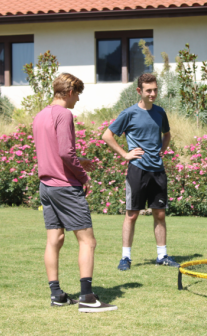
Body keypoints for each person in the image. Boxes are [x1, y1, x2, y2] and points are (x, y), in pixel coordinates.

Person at [33, 73, 117, 312]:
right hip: (65, 187)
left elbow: (52, 151)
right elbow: (65, 153)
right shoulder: (64, 115)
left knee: (54, 240)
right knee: (88, 241)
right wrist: (83, 176)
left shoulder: (39, 116)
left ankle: (56, 295)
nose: (78, 100)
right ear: (70, 92)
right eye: (78, 94)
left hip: (46, 187)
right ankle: (87, 298)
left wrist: (78, 160)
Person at [102, 73, 179, 271]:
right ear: (139, 91)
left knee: (159, 214)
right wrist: (125, 154)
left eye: (155, 90)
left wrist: (162, 150)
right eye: (148, 90)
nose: (153, 94)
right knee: (132, 215)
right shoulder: (129, 113)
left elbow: (167, 134)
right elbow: (107, 135)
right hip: (137, 170)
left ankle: (162, 256)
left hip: (158, 170)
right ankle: (125, 258)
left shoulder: (160, 112)